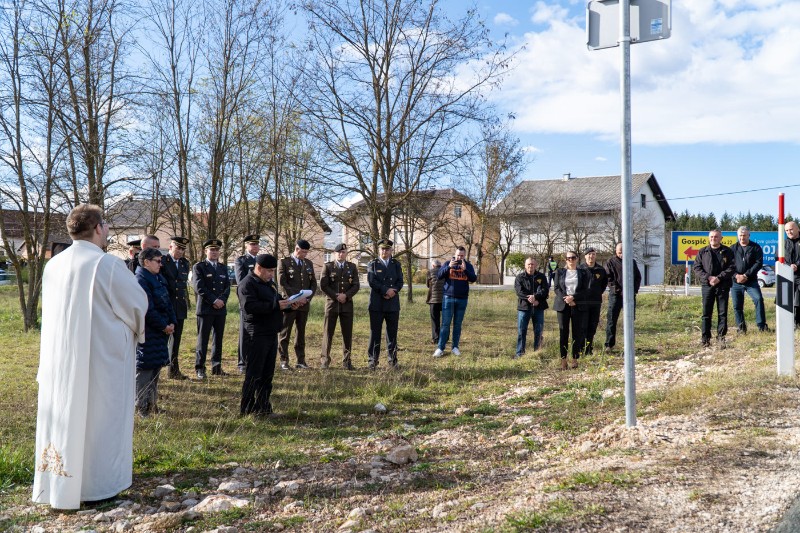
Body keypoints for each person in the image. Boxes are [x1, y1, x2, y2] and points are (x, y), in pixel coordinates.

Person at [33, 204, 147, 510]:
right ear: (98, 228)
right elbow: (137, 305)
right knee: (99, 420)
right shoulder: (106, 265)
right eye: (106, 224)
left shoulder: (53, 264)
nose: (107, 229)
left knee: (65, 417)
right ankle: (98, 487)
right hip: (98, 361)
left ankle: (59, 484)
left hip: (60, 362)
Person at [239, 254, 307, 417]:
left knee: (267, 374)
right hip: (256, 334)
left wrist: (292, 305)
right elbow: (250, 307)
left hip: (270, 333)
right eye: (269, 271)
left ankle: (264, 408)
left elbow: (278, 302)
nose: (271, 274)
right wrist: (275, 305)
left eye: (273, 271)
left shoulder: (270, 284)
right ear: (259, 268)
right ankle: (247, 409)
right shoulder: (247, 284)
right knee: (254, 374)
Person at [134, 248, 176, 416]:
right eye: (158, 261)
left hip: (161, 331)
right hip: (149, 331)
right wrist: (163, 325)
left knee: (156, 367)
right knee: (145, 369)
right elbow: (148, 309)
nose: (161, 264)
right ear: (146, 262)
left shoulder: (157, 277)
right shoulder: (141, 280)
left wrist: (172, 321)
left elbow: (168, 301)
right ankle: (141, 407)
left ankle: (152, 404)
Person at [193, 239, 231, 378]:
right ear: (206, 251)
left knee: (218, 339)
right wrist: (214, 300)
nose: (214, 252)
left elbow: (227, 286)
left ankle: (216, 367)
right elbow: (199, 287)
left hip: (220, 309)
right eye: (211, 250)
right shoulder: (199, 267)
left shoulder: (222, 267)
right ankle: (200, 368)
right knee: (203, 340)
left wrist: (222, 300)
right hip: (206, 309)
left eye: (216, 250)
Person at [320, 243, 360, 369]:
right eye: (339, 252)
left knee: (347, 333)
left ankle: (347, 362)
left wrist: (346, 296)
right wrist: (336, 296)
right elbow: (323, 285)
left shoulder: (352, 267)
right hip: (332, 304)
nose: (341, 254)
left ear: (346, 253)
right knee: (328, 333)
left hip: (347, 305)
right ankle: (325, 361)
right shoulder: (328, 266)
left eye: (343, 252)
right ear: (334, 253)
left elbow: (356, 285)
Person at [278, 239, 317, 370]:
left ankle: (301, 360)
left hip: (304, 304)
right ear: (296, 249)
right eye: (303, 252)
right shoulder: (284, 262)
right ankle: (284, 360)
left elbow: (313, 284)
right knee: (285, 332)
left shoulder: (308, 263)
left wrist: (306, 298)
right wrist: (296, 298)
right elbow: (282, 282)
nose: (305, 254)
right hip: (289, 303)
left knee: (301, 333)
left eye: (306, 252)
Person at [693, 229, 735, 348]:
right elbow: (697, 267)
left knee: (722, 313)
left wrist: (719, 278)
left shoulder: (727, 251)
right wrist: (708, 277)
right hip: (707, 286)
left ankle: (721, 338)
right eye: (711, 237)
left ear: (721, 238)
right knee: (706, 313)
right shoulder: (703, 252)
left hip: (723, 285)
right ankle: (705, 339)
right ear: (708, 238)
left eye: (716, 237)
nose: (713, 239)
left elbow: (732, 267)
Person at [433, 246, 477, 358]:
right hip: (448, 298)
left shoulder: (468, 266)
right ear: (455, 254)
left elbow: (473, 279)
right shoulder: (448, 263)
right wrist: (448, 267)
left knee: (457, 324)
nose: (459, 257)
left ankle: (455, 347)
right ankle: (440, 348)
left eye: (462, 256)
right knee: (445, 324)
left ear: (464, 256)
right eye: (458, 255)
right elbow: (439, 276)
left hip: (462, 299)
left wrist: (465, 269)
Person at [367, 239, 404, 369]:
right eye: (382, 249)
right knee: (375, 333)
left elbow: (400, 281)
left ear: (391, 250)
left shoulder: (396, 264)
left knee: (392, 334)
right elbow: (372, 281)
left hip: (392, 304)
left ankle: (392, 360)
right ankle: (372, 360)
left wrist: (393, 291)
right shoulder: (373, 264)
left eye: (387, 249)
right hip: (377, 304)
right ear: (379, 250)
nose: (385, 251)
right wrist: (385, 290)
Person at [553, 251, 590, 370]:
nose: (571, 260)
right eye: (568, 258)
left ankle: (575, 359)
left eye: (573, 258)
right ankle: (563, 360)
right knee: (563, 332)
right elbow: (557, 288)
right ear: (565, 260)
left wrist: (574, 298)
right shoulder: (559, 272)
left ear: (577, 259)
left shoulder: (583, 272)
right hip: (563, 305)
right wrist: (567, 298)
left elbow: (586, 289)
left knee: (577, 332)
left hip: (577, 304)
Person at [161, 236, 191, 379]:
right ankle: (156, 370)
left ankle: (173, 369)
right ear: (170, 247)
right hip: (166, 305)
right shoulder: (163, 262)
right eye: (178, 247)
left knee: (176, 340)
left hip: (179, 307)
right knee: (163, 340)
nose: (180, 251)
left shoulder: (185, 264)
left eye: (183, 249)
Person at [604, 243, 642, 351]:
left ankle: (629, 344)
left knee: (630, 320)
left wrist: (633, 290)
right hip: (616, 296)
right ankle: (609, 345)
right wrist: (618, 290)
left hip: (630, 296)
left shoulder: (632, 262)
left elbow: (637, 277)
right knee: (612, 319)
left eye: (623, 252)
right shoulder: (610, 262)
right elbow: (609, 279)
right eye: (619, 252)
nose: (621, 254)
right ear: (616, 251)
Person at [730, 226, 768, 333]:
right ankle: (741, 328)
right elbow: (728, 265)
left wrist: (746, 275)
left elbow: (758, 263)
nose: (742, 238)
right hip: (736, 282)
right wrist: (736, 276)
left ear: (749, 235)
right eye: (740, 235)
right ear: (738, 236)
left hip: (751, 281)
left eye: (744, 235)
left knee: (758, 300)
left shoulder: (756, 248)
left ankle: (761, 326)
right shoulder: (732, 248)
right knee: (737, 306)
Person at [235, 234, 260, 373]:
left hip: (260, 301)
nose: (255, 247)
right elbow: (241, 281)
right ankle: (242, 362)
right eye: (252, 244)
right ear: (246, 246)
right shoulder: (241, 260)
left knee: (257, 332)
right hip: (248, 300)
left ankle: (253, 359)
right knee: (244, 333)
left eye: (256, 244)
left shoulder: (261, 260)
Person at [514, 256, 549, 358]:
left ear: (536, 265)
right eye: (528, 264)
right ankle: (520, 354)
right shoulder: (519, 277)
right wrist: (529, 298)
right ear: (525, 266)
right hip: (524, 308)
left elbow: (545, 290)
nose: (530, 266)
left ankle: (537, 353)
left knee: (538, 331)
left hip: (538, 308)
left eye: (532, 264)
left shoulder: (541, 277)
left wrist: (536, 298)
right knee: (521, 331)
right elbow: (519, 291)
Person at [580, 247, 609, 355]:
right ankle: (581, 349)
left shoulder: (600, 270)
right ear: (585, 256)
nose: (591, 256)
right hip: (582, 303)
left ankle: (589, 349)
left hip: (595, 302)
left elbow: (603, 284)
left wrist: (596, 293)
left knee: (592, 326)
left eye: (593, 254)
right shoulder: (580, 269)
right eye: (589, 254)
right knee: (583, 326)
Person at [784, 221, 800, 328]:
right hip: (787, 275)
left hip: (799, 275)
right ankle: (788, 324)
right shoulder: (783, 243)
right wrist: (789, 266)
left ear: (797, 229)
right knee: (785, 300)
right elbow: (779, 258)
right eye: (786, 230)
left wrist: (797, 265)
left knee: (798, 301)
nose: (789, 232)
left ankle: (797, 323)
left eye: (791, 229)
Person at [426, 259, 444, 344]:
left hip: (433, 300)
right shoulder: (445, 271)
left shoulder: (430, 272)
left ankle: (436, 338)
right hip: (444, 299)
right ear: (440, 265)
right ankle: (445, 337)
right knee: (445, 320)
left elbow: (427, 285)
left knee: (435, 320)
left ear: (433, 266)